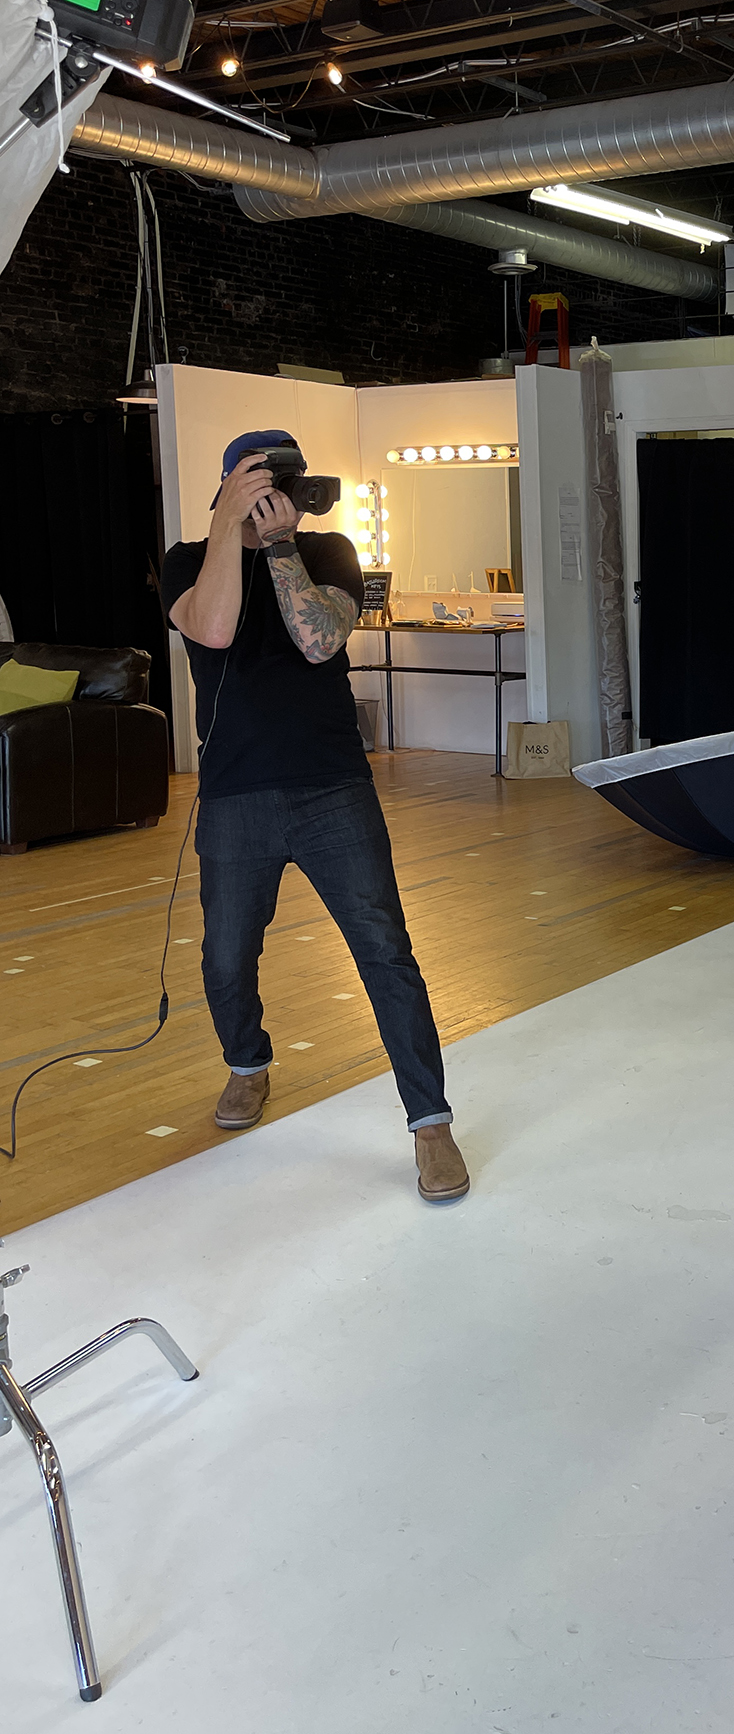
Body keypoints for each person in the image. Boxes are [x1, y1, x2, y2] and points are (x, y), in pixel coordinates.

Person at [161, 430, 471, 1204]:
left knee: (385, 951)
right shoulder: (183, 560)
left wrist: (278, 546)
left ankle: (430, 1123)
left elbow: (319, 639)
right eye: (263, 477)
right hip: (236, 794)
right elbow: (216, 629)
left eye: (288, 477)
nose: (282, 490)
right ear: (228, 481)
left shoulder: (328, 550)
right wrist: (235, 529)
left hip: (333, 787)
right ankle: (247, 1064)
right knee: (226, 957)